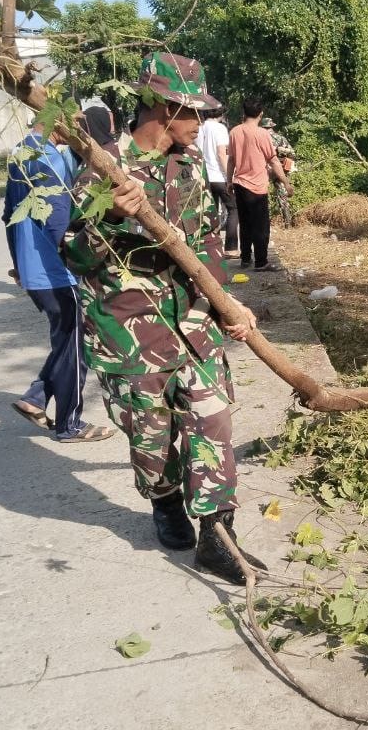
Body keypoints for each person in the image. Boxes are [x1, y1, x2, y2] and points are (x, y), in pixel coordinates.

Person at [63, 52, 263, 584]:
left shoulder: (190, 166)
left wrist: (225, 309)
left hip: (193, 324)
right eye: (191, 112)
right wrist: (109, 215)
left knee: (212, 423)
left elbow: (208, 246)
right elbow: (74, 257)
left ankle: (219, 538)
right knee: (152, 443)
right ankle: (165, 501)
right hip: (129, 334)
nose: (199, 123)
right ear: (159, 107)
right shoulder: (104, 168)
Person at [3, 114, 113, 444]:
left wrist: (19, 264)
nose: (78, 136)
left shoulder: (21, 154)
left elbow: (9, 215)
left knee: (67, 342)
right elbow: (57, 223)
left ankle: (36, 398)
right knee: (76, 345)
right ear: (59, 124)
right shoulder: (49, 159)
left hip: (35, 269)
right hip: (55, 270)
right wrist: (79, 259)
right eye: (75, 128)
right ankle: (69, 425)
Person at [227, 98, 292, 271]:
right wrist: (286, 182)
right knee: (261, 226)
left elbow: (231, 160)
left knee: (245, 223)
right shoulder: (262, 134)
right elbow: (274, 161)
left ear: (243, 112)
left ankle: (245, 259)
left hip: (239, 183)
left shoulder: (234, 132)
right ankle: (261, 262)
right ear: (261, 114)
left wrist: (228, 181)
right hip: (256, 186)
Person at [196, 105, 238, 257]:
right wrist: (229, 177)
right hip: (218, 176)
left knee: (210, 213)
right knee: (233, 208)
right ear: (221, 114)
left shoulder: (199, 128)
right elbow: (222, 153)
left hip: (203, 176)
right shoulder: (219, 128)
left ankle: (212, 247)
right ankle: (231, 248)